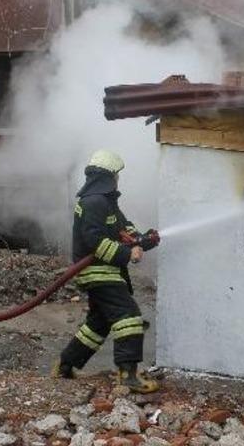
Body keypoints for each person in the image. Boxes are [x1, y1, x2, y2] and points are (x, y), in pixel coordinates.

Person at [54, 149, 160, 393]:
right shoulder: (93, 203)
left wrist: (143, 239)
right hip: (98, 273)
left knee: (99, 324)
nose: (118, 179)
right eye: (116, 175)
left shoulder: (106, 202)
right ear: (107, 176)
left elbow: (123, 229)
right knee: (128, 316)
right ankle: (128, 375)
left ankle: (65, 365)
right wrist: (127, 254)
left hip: (107, 271)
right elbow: (94, 241)